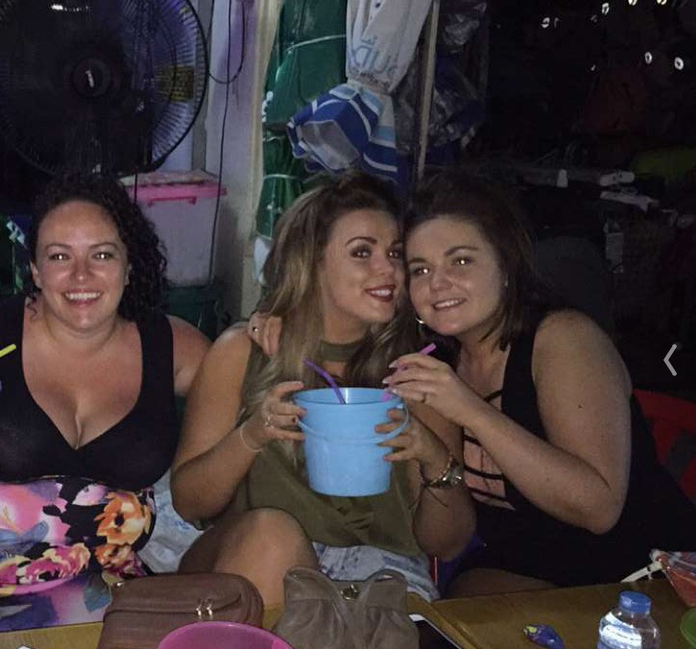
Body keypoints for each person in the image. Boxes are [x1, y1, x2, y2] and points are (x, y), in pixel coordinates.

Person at [0, 173, 211, 645]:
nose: (81, 276)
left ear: (129, 266)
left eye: (101, 255)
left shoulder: (174, 347)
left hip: (107, 595)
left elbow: (249, 389)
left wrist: (264, 332)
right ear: (36, 271)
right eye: (60, 256)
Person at [386, 170, 696, 595]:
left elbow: (600, 509)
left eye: (461, 260)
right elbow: (447, 541)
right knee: (458, 620)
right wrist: (432, 459)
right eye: (420, 270)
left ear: (505, 264)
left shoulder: (564, 339)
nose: (437, 283)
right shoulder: (435, 369)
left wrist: (470, 411)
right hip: (533, 569)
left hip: (649, 572)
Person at [172, 172, 473, 606]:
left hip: (378, 570)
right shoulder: (244, 352)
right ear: (312, 262)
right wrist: (253, 434)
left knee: (385, 633)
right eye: (362, 252)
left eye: (394, 253)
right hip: (250, 561)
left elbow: (447, 544)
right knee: (272, 538)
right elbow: (189, 503)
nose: (388, 269)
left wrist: (432, 458)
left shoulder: (417, 374)